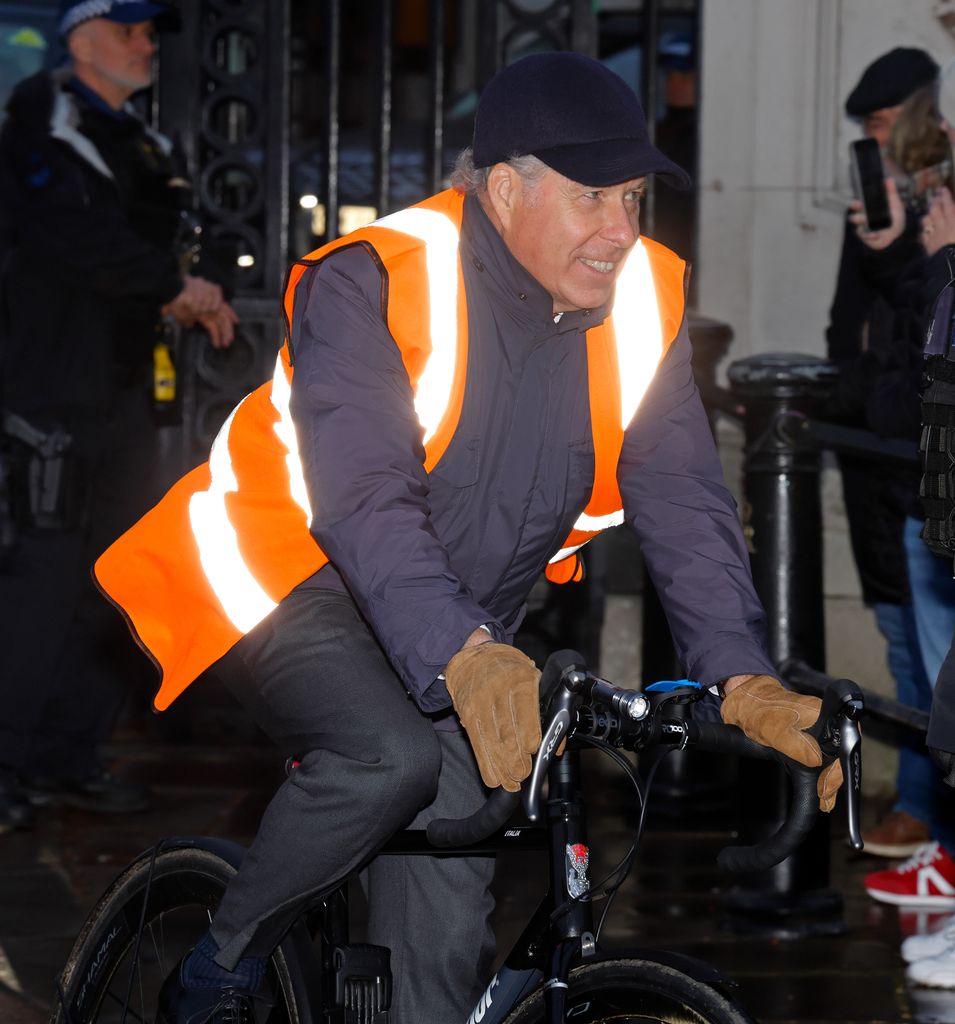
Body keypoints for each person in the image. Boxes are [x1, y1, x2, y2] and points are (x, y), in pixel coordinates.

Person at [93, 52, 843, 1024]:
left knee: (456, 875)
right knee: (385, 759)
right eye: (591, 198)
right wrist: (464, 653)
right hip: (294, 579)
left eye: (631, 196)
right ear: (502, 188)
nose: (621, 228)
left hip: (454, 613)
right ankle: (220, 964)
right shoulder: (378, 278)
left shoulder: (639, 304)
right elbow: (363, 497)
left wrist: (740, 674)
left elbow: (687, 503)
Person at [0, 0, 238, 832]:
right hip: (53, 389)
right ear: (81, 40)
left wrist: (186, 282)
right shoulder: (41, 116)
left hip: (125, 390)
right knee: (42, 580)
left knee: (114, 577)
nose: (147, 45)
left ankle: (67, 756)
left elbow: (172, 235)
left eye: (149, 31)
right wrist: (171, 287)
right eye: (132, 30)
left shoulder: (142, 139)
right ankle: (9, 767)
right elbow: (71, 234)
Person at [824, 46, 940, 859]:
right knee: (905, 640)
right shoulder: (873, 210)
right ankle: (922, 810)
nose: (874, 136)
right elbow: (848, 324)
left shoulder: (941, 209)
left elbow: (933, 316)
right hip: (880, 449)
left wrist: (906, 249)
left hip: (928, 454)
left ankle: (929, 817)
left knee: (935, 651)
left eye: (883, 119)